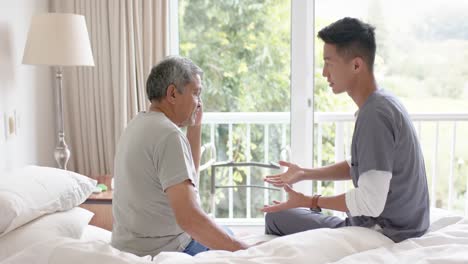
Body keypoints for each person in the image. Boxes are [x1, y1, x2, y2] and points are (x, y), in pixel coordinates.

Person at [262, 17, 430, 243]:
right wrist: (305, 172)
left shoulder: (374, 115)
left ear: (356, 65)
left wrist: (309, 201)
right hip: (405, 225)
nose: (324, 73)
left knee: (276, 218)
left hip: (384, 232)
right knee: (290, 214)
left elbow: (370, 202)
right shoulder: (384, 102)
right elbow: (362, 165)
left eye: (329, 63)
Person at [111, 56, 249, 256]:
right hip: (164, 249)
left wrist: (195, 127)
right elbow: (190, 220)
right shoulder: (169, 135)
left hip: (129, 246)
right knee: (231, 240)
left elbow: (187, 180)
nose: (199, 103)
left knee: (225, 232)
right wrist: (247, 252)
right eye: (196, 93)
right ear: (173, 93)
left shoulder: (138, 124)